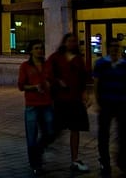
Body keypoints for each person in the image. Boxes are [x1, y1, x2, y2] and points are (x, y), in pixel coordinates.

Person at [45, 33, 90, 172]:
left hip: (75, 99)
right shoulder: (56, 58)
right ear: (64, 43)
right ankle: (43, 146)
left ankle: (74, 159)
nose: (72, 43)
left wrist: (85, 92)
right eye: (69, 41)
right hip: (61, 100)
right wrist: (57, 81)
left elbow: (84, 77)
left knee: (75, 129)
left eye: (74, 41)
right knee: (56, 129)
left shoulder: (78, 59)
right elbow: (48, 74)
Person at [18, 40, 54, 176]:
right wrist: (34, 87)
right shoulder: (25, 66)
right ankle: (35, 164)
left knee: (50, 132)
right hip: (32, 105)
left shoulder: (47, 65)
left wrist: (52, 84)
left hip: (47, 104)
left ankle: (38, 151)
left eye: (41, 48)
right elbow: (21, 86)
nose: (40, 50)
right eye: (37, 48)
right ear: (31, 51)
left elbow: (52, 80)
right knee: (31, 136)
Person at [93, 38, 126, 176]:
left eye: (116, 47)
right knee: (103, 135)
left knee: (123, 134)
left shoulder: (124, 64)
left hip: (122, 103)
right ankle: (105, 163)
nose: (114, 49)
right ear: (107, 48)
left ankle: (122, 162)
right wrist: (97, 101)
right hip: (106, 103)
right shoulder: (101, 64)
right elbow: (96, 83)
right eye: (112, 46)